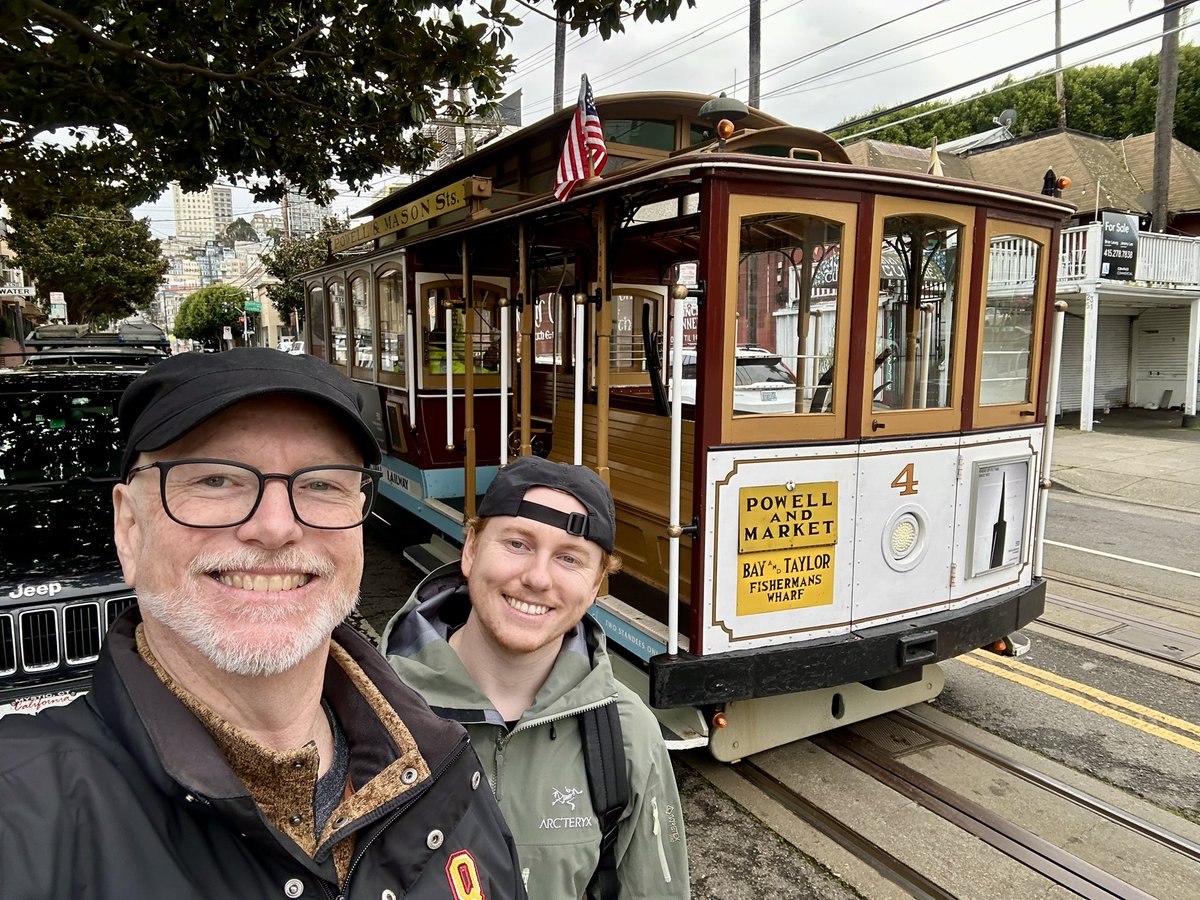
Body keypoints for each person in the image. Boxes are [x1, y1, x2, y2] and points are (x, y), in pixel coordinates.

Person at [0, 348, 527, 900]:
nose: (275, 527)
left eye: (322, 483)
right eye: (216, 479)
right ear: (130, 528)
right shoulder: (24, 814)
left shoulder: (445, 765)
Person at [381, 456, 690, 899]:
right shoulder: (371, 706)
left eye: (569, 558)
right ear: (470, 549)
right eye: (517, 544)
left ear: (596, 583)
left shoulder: (626, 735)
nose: (538, 578)